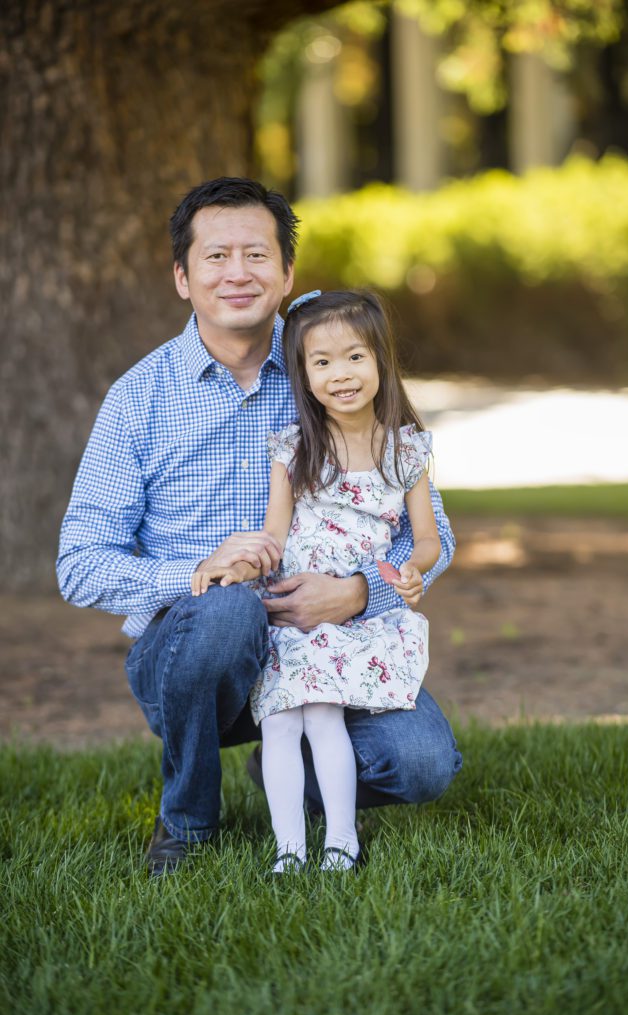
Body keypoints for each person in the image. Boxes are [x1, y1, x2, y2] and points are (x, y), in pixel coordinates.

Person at [57, 177, 462, 877]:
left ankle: (295, 774)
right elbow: (80, 563)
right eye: (215, 258)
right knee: (226, 612)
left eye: (256, 254)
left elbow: (432, 535)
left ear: (287, 274)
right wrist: (194, 573)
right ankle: (187, 821)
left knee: (423, 763)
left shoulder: (334, 365)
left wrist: (361, 592)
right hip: (197, 657)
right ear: (182, 278)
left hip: (329, 635)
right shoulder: (138, 400)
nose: (237, 273)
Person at [192, 289, 442, 873]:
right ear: (303, 376)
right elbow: (273, 536)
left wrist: (412, 570)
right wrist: (241, 563)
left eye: (355, 357)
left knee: (325, 718)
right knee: (280, 720)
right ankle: (287, 850)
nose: (341, 374)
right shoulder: (295, 449)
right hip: (292, 608)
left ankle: (340, 841)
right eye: (321, 363)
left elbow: (427, 537)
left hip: (353, 618)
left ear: (381, 359)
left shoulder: (406, 451)